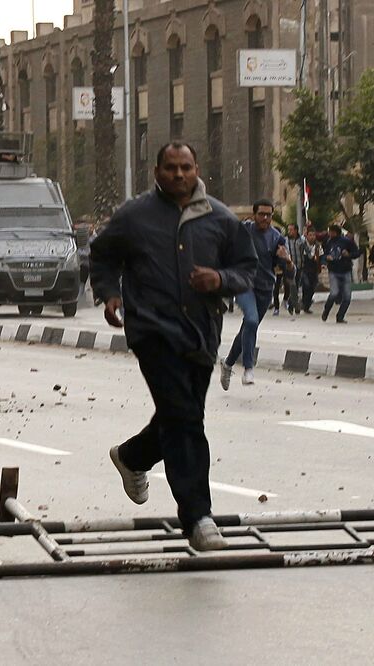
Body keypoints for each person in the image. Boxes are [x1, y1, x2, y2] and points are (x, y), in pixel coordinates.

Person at [90, 141, 256, 552]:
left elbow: (247, 268)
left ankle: (133, 456)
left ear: (197, 169)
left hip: (200, 333)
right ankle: (198, 517)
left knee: (180, 415)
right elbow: (102, 253)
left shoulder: (220, 218)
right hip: (152, 331)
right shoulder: (135, 216)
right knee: (184, 419)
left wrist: (220, 280)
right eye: (170, 168)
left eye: (186, 168)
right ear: (157, 172)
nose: (179, 175)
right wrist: (109, 293)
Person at [220, 199, 288, 388]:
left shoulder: (277, 238)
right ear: (254, 214)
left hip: (265, 288)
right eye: (261, 214)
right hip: (244, 283)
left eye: (269, 215)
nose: (265, 218)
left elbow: (284, 267)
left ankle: (228, 364)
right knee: (251, 320)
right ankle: (248, 368)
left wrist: (287, 261)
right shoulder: (244, 229)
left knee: (247, 329)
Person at [321, 224, 359, 324]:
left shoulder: (347, 242)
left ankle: (340, 316)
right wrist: (326, 259)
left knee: (347, 297)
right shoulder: (328, 242)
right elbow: (323, 254)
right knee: (334, 293)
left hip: (345, 271)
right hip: (333, 271)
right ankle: (326, 310)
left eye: (331, 232)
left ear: (335, 232)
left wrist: (348, 255)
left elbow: (357, 253)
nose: (329, 234)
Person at [283, 223, 307, 315]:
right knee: (292, 286)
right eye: (288, 229)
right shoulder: (285, 240)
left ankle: (291, 304)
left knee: (296, 286)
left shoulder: (301, 240)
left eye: (291, 229)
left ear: (296, 230)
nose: (289, 231)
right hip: (290, 268)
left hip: (300, 266)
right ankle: (295, 305)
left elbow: (307, 250)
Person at [301, 229, 322, 314]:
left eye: (313, 235)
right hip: (304, 269)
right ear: (307, 236)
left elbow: (321, 256)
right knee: (306, 285)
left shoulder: (317, 246)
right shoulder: (302, 245)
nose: (312, 237)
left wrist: (322, 263)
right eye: (310, 235)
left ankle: (306, 305)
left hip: (314, 269)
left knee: (312, 288)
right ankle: (301, 303)